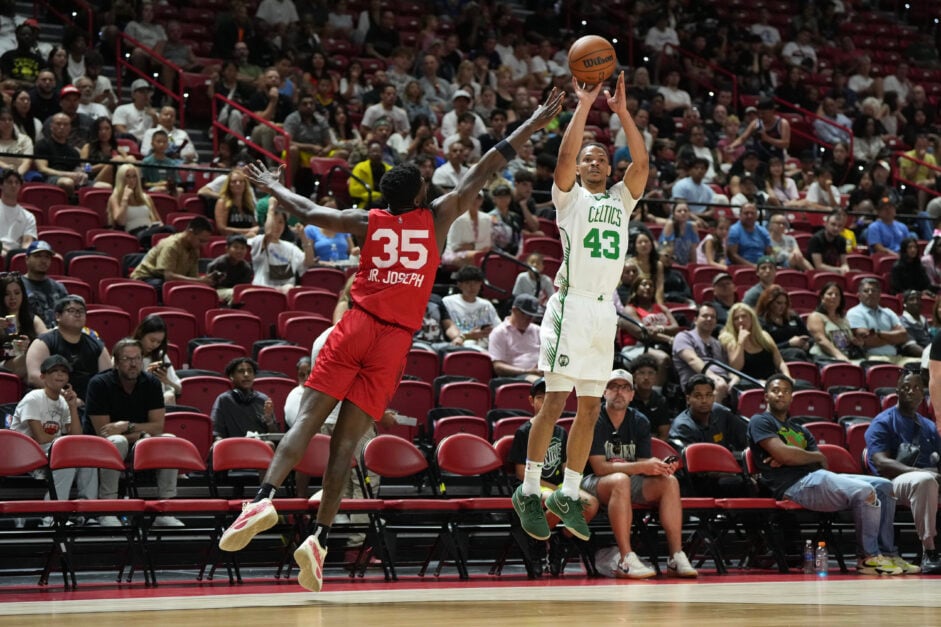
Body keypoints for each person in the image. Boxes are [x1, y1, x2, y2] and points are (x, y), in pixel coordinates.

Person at [217, 88, 564, 592]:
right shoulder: (439, 216)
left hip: (356, 324)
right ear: (421, 196)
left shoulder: (367, 221)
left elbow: (309, 212)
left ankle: (261, 501)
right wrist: (532, 121)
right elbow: (487, 165)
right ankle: (319, 536)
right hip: (394, 341)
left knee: (309, 420)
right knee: (346, 446)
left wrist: (273, 184)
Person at [510, 72, 646, 546]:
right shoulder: (570, 200)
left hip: (603, 313)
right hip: (569, 306)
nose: (594, 162)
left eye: (601, 158)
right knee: (555, 401)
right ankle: (528, 489)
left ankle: (567, 492)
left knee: (589, 407)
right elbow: (565, 156)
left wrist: (623, 113)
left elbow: (642, 164)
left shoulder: (621, 201)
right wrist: (585, 104)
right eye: (589, 158)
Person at [747, 374, 912, 575]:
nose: (780, 394)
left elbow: (820, 459)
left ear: (792, 397)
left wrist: (797, 456)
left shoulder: (799, 430)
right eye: (775, 390)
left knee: (885, 485)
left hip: (817, 476)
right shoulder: (760, 421)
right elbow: (790, 455)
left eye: (786, 391)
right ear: (766, 396)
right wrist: (794, 455)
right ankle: (868, 557)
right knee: (865, 490)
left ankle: (888, 554)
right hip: (793, 485)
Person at [581, 369, 698, 578]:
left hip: (626, 481)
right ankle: (626, 558)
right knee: (620, 480)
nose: (619, 392)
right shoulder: (593, 418)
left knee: (669, 482)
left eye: (625, 388)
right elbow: (599, 467)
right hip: (590, 483)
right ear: (604, 392)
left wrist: (658, 468)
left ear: (632, 395)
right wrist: (640, 467)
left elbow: (643, 463)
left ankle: (675, 556)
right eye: (614, 387)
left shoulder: (640, 420)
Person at [86, 337, 182, 528]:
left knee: (170, 440)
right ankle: (108, 508)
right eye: (127, 359)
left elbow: (157, 427)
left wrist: (125, 426)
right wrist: (139, 432)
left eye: (137, 359)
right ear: (115, 362)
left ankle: (166, 509)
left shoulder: (152, 383)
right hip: (102, 445)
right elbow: (103, 431)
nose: (133, 364)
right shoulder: (99, 384)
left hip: (137, 441)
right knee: (117, 441)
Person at [507, 377, 599, 567]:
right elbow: (520, 473)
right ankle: (537, 540)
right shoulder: (524, 431)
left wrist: (570, 485)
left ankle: (561, 540)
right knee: (559, 499)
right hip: (532, 485)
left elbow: (566, 465)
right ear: (531, 401)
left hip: (557, 485)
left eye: (550, 398)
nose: (546, 402)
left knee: (590, 503)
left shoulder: (561, 432)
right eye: (541, 398)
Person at [865, 369, 941, 573]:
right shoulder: (883, 422)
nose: (911, 391)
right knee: (924, 479)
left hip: (928, 480)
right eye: (906, 387)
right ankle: (929, 551)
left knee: (927, 479)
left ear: (923, 392)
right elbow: (880, 462)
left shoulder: (928, 426)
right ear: (897, 390)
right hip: (891, 485)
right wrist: (917, 471)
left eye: (916, 387)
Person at [10, 355, 98, 506]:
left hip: (50, 451)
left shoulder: (63, 402)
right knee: (64, 458)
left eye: (64, 371)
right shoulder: (34, 398)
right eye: (54, 371)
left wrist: (72, 407)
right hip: (25, 452)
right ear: (43, 377)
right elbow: (41, 437)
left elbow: (77, 437)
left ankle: (87, 509)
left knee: (87, 456)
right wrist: (64, 444)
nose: (60, 374)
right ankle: (52, 514)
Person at [25, 296, 111, 431]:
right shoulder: (44, 342)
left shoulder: (97, 346)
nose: (77, 314)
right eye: (71, 310)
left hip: (86, 406)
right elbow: (34, 376)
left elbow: (107, 381)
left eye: (81, 311)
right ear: (58, 316)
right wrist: (67, 397)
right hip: (51, 402)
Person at [130, 216, 218, 292]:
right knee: (162, 286)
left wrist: (205, 280)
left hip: (167, 280)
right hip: (146, 278)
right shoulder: (171, 245)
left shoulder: (195, 249)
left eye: (206, 242)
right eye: (201, 241)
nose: (203, 245)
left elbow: (193, 277)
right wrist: (199, 281)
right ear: (190, 233)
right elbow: (169, 277)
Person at [847, 278, 922, 362]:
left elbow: (903, 336)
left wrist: (877, 333)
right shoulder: (854, 313)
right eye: (866, 291)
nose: (870, 293)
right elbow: (867, 341)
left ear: (879, 294)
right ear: (859, 295)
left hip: (896, 357)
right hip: (871, 357)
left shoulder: (888, 312)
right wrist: (894, 339)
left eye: (874, 290)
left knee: (919, 365)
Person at [672, 302, 735, 404]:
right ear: (695, 320)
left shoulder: (717, 343)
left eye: (712, 317)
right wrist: (713, 377)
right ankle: (711, 419)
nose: (709, 319)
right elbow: (692, 360)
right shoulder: (684, 336)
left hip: (723, 382)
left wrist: (735, 379)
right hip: (697, 383)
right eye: (705, 316)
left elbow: (728, 368)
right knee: (719, 386)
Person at [669, 374, 747, 454]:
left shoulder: (720, 412)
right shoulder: (682, 427)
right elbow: (692, 461)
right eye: (698, 396)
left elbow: (746, 438)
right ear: (688, 399)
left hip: (726, 462)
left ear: (713, 397)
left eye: (708, 395)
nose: (704, 400)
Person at [719, 302, 791, 388]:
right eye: (736, 318)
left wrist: (787, 376)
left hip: (772, 381)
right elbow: (735, 369)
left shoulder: (764, 336)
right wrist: (741, 342)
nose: (740, 320)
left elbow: (779, 362)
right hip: (749, 383)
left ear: (751, 318)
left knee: (803, 385)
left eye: (744, 316)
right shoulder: (730, 340)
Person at [211, 357, 279, 441]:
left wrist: (269, 420)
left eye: (250, 371)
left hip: (259, 447)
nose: (246, 374)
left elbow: (274, 436)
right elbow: (217, 433)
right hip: (233, 447)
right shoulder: (223, 400)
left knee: (270, 444)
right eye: (241, 371)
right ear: (231, 376)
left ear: (254, 376)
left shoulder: (263, 399)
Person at [248, 209, 316, 292]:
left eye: (281, 222)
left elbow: (309, 262)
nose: (277, 226)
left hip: (287, 293)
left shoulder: (291, 247)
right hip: (263, 291)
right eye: (273, 221)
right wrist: (271, 206)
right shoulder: (258, 241)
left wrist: (304, 238)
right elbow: (268, 233)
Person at [107, 163, 169, 247]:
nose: (132, 180)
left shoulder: (146, 197)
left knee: (170, 229)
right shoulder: (115, 197)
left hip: (150, 230)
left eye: (134, 176)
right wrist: (125, 198)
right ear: (121, 179)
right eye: (128, 177)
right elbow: (120, 222)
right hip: (134, 234)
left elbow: (158, 221)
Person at [442, 264, 501, 351]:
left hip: (484, 345)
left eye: (476, 283)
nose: (472, 287)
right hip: (459, 344)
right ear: (459, 285)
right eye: (467, 283)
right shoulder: (448, 302)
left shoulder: (486, 305)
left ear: (480, 284)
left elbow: (499, 328)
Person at [488, 293, 544, 383]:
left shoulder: (538, 330)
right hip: (514, 377)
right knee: (541, 384)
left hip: (542, 374)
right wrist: (528, 371)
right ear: (514, 310)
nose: (528, 320)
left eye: (531, 316)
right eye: (525, 315)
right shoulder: (499, 332)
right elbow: (498, 366)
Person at [1, 272, 47, 378]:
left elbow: (48, 341)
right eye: (7, 294)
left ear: (23, 294)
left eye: (17, 293)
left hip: (27, 367)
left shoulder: (32, 319)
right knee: (30, 357)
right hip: (3, 367)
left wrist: (30, 345)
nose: (13, 297)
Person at [806, 282, 863, 364]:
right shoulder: (815, 316)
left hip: (847, 357)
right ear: (822, 297)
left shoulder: (843, 319)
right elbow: (820, 339)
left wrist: (856, 341)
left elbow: (848, 340)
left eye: (837, 295)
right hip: (825, 357)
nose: (834, 296)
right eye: (830, 294)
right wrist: (838, 355)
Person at [132, 314, 181, 406]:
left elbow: (179, 389)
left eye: (159, 342)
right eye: (152, 340)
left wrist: (166, 380)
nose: (154, 345)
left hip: (158, 405)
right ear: (141, 333)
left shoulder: (160, 356)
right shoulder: (125, 353)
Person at [755, 284, 813, 362]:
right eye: (778, 303)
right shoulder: (761, 321)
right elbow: (764, 349)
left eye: (785, 303)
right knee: (798, 354)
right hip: (778, 356)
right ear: (768, 302)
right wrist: (789, 343)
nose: (783, 306)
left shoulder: (793, 316)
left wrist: (807, 343)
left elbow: (810, 337)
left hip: (801, 353)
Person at [20, 241, 66, 328]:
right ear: (27, 259)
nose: (43, 261)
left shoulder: (59, 288)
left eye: (47, 257)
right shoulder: (18, 286)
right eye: (38, 256)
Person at [627, 354, 674, 440]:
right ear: (633, 377)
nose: (646, 377)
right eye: (641, 373)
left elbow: (664, 434)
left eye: (651, 373)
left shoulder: (660, 401)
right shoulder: (626, 398)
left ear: (656, 377)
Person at [206, 233, 254, 305]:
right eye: (236, 247)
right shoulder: (218, 264)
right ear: (227, 249)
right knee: (234, 294)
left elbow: (244, 287)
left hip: (236, 291)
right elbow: (210, 285)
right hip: (217, 291)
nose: (239, 251)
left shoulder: (246, 267)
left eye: (243, 248)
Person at [0, 168, 36, 256]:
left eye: (17, 183)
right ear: (1, 185)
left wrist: (21, 255)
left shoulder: (28, 216)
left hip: (15, 255)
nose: (13, 185)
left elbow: (27, 242)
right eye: (9, 182)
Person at [214, 170, 259, 237]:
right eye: (234, 182)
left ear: (245, 185)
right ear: (229, 185)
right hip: (231, 241)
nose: (238, 184)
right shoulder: (222, 202)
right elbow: (222, 229)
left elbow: (255, 227)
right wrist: (246, 233)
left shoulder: (249, 204)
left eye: (241, 181)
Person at [807, 210, 850, 275]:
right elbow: (819, 266)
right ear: (826, 224)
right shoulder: (816, 239)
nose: (836, 228)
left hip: (833, 272)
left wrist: (845, 268)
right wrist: (839, 270)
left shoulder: (842, 240)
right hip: (816, 274)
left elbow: (844, 263)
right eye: (833, 224)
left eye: (839, 226)